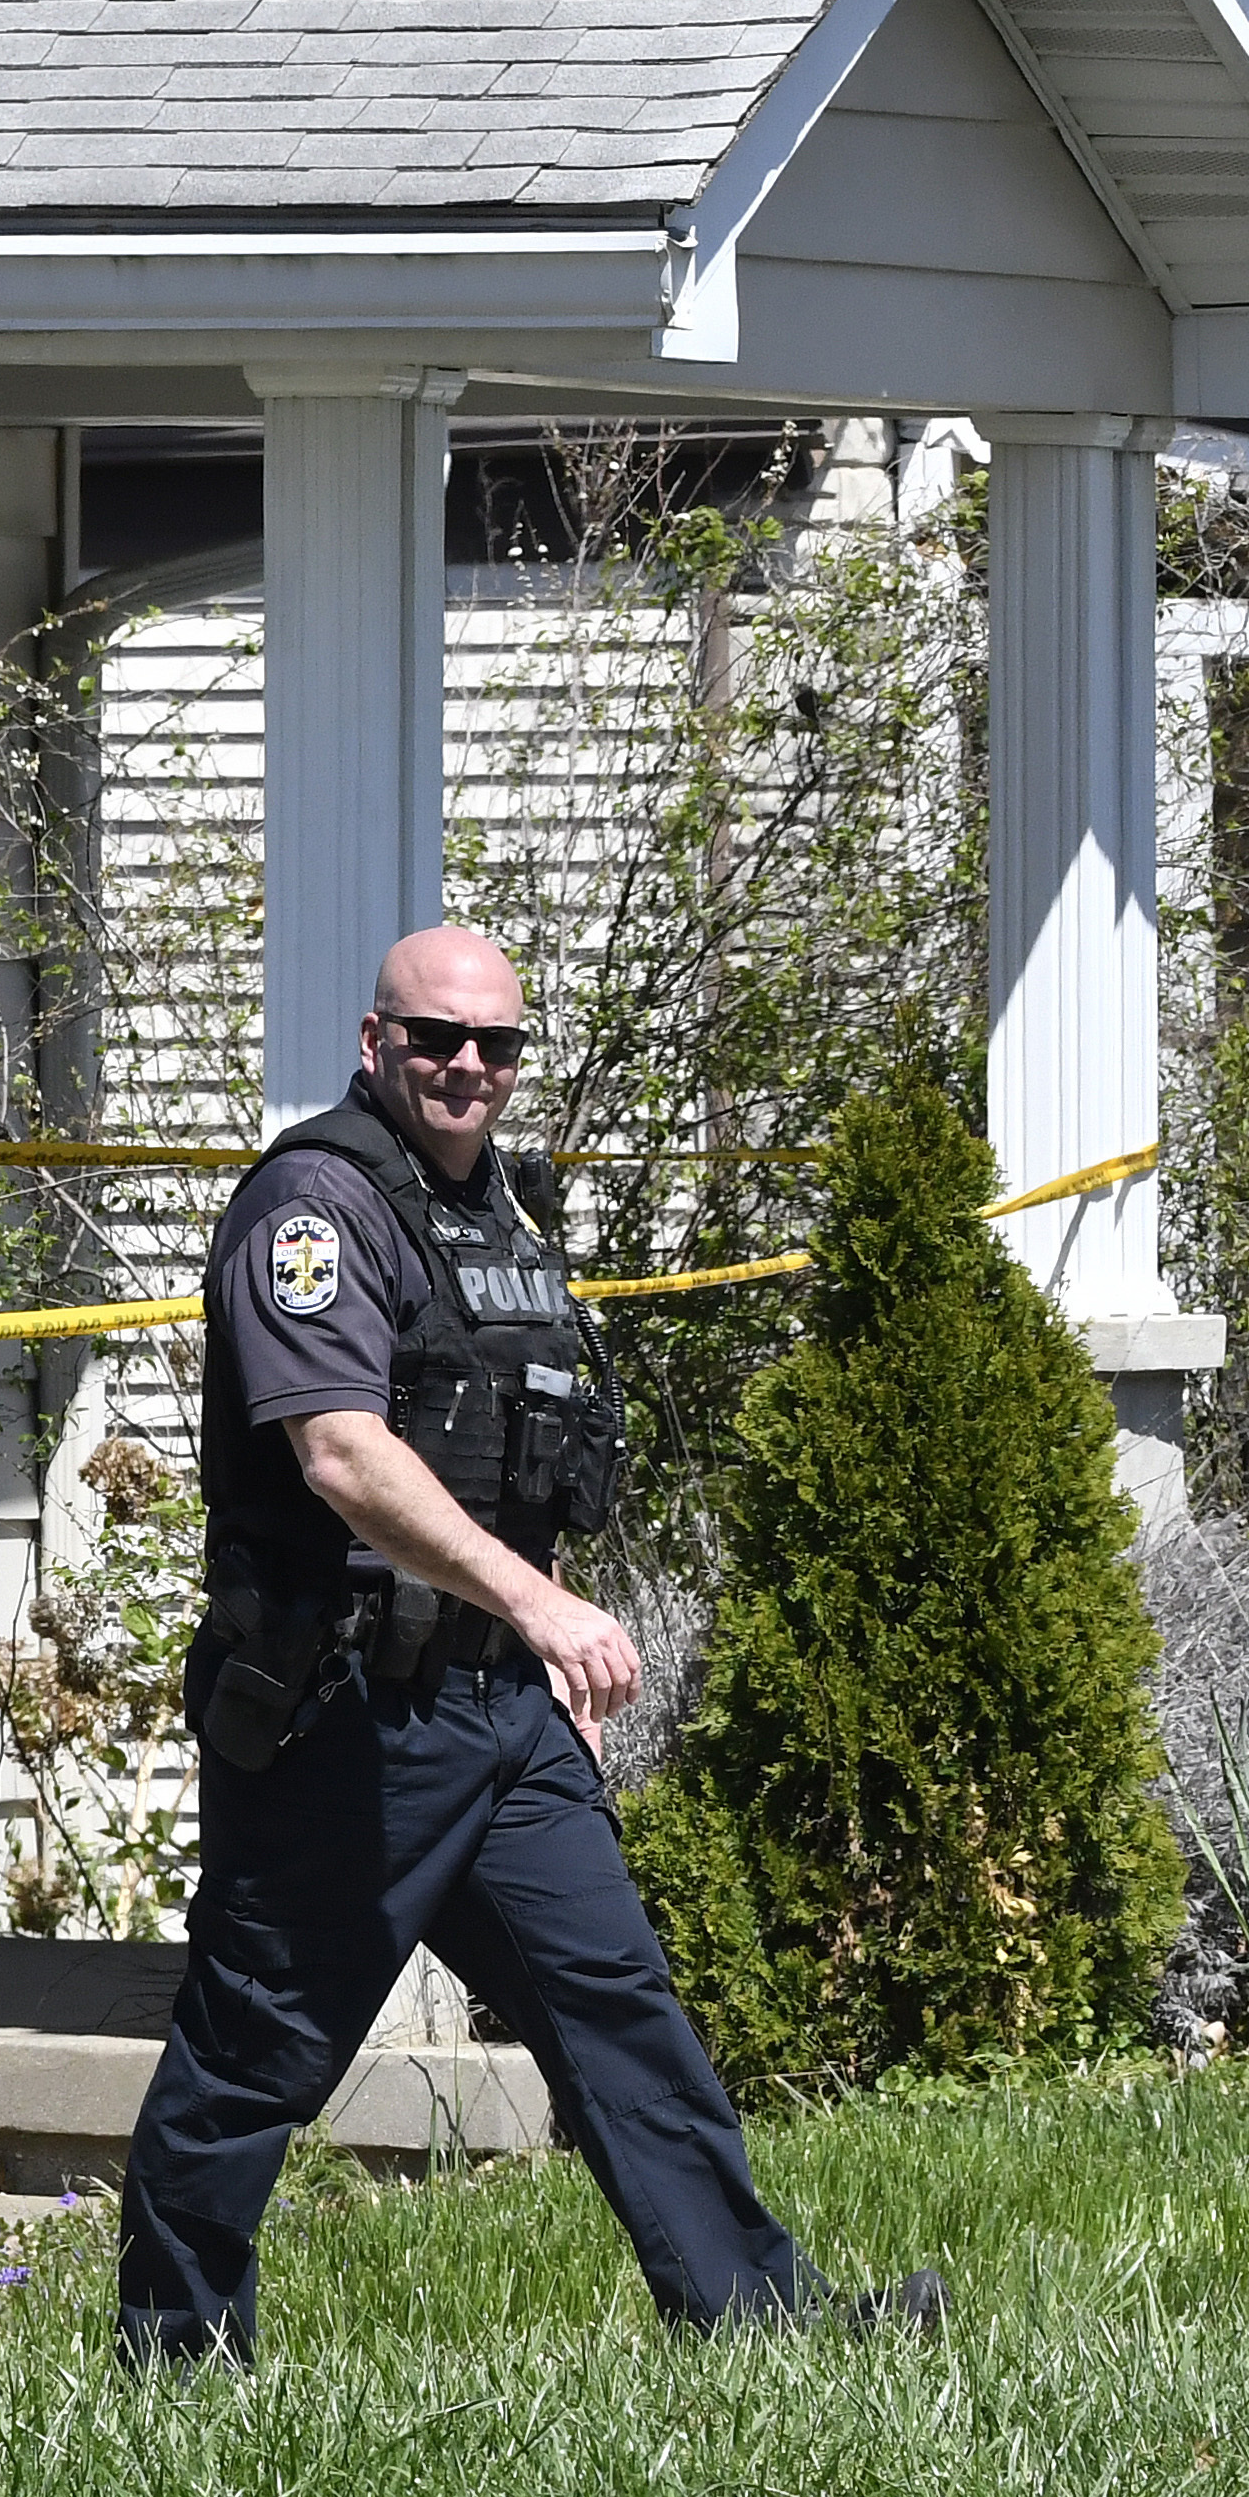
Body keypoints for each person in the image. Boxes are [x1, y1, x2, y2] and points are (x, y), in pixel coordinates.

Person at [120, 924, 926, 2363]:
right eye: (434, 1037)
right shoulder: (313, 1204)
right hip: (342, 1714)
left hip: (499, 1715)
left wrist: (537, 1636)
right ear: (373, 1042)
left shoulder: (501, 1219)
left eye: (494, 1044)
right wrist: (544, 1606)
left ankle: (753, 2322)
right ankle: (173, 2364)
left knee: (615, 2005)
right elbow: (342, 1455)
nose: (465, 1067)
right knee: (258, 2047)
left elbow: (505, 1462)